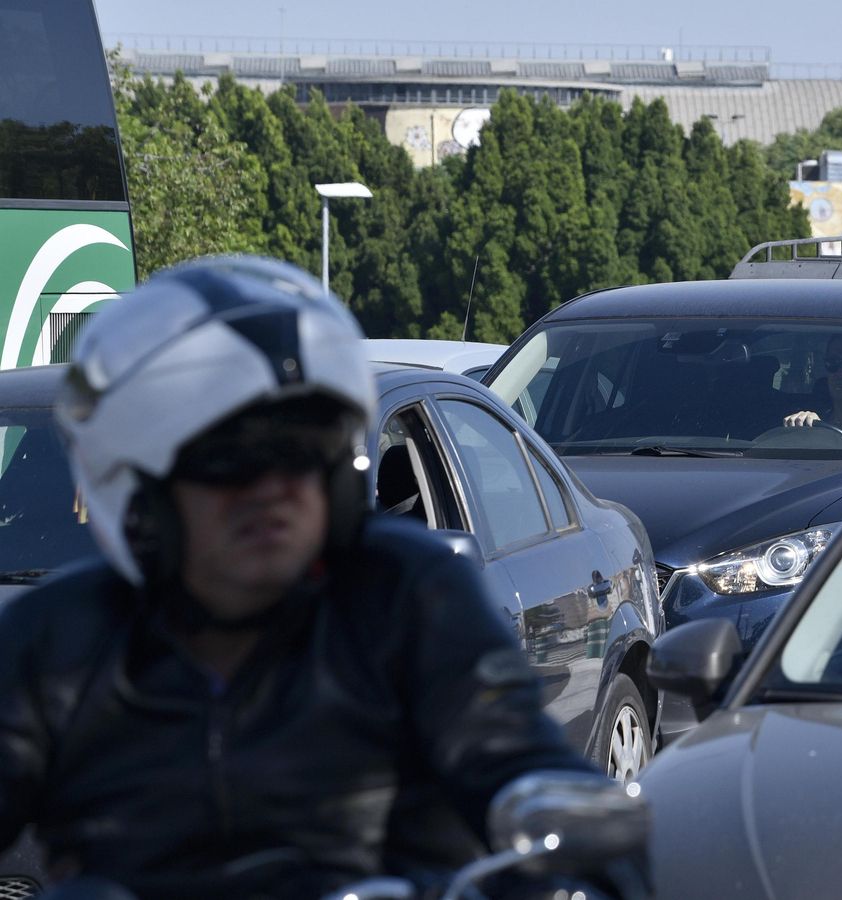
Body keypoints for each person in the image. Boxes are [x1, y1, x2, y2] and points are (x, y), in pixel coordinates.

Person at [0, 257, 615, 899]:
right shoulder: (56, 644)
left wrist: (578, 840)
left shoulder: (407, 597)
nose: (273, 489)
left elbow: (516, 756)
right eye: (229, 459)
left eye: (302, 451)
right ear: (140, 490)